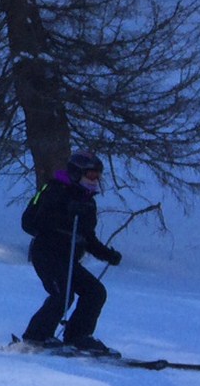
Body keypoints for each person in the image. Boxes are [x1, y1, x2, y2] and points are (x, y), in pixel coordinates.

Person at [20, 150, 123, 353]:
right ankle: (36, 336)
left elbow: (87, 237)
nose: (94, 180)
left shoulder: (88, 201)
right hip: (47, 254)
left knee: (95, 292)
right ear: (76, 173)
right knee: (63, 295)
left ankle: (78, 336)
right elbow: (31, 223)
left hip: (68, 259)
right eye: (90, 175)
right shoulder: (54, 189)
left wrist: (107, 254)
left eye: (97, 176)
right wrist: (66, 214)